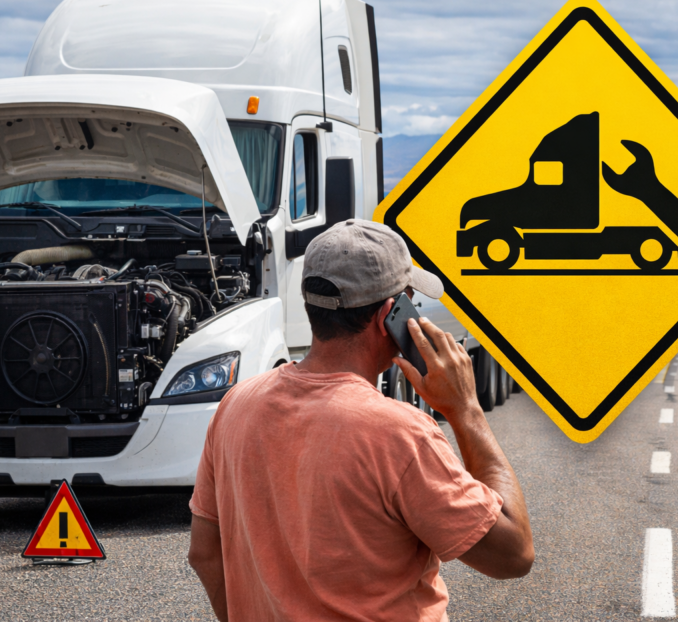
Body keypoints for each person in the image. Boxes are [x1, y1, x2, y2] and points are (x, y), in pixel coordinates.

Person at [188, 219, 533, 621]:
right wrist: (467, 410)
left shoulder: (236, 405)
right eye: (409, 302)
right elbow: (513, 555)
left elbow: (204, 553)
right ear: (390, 315)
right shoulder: (399, 433)